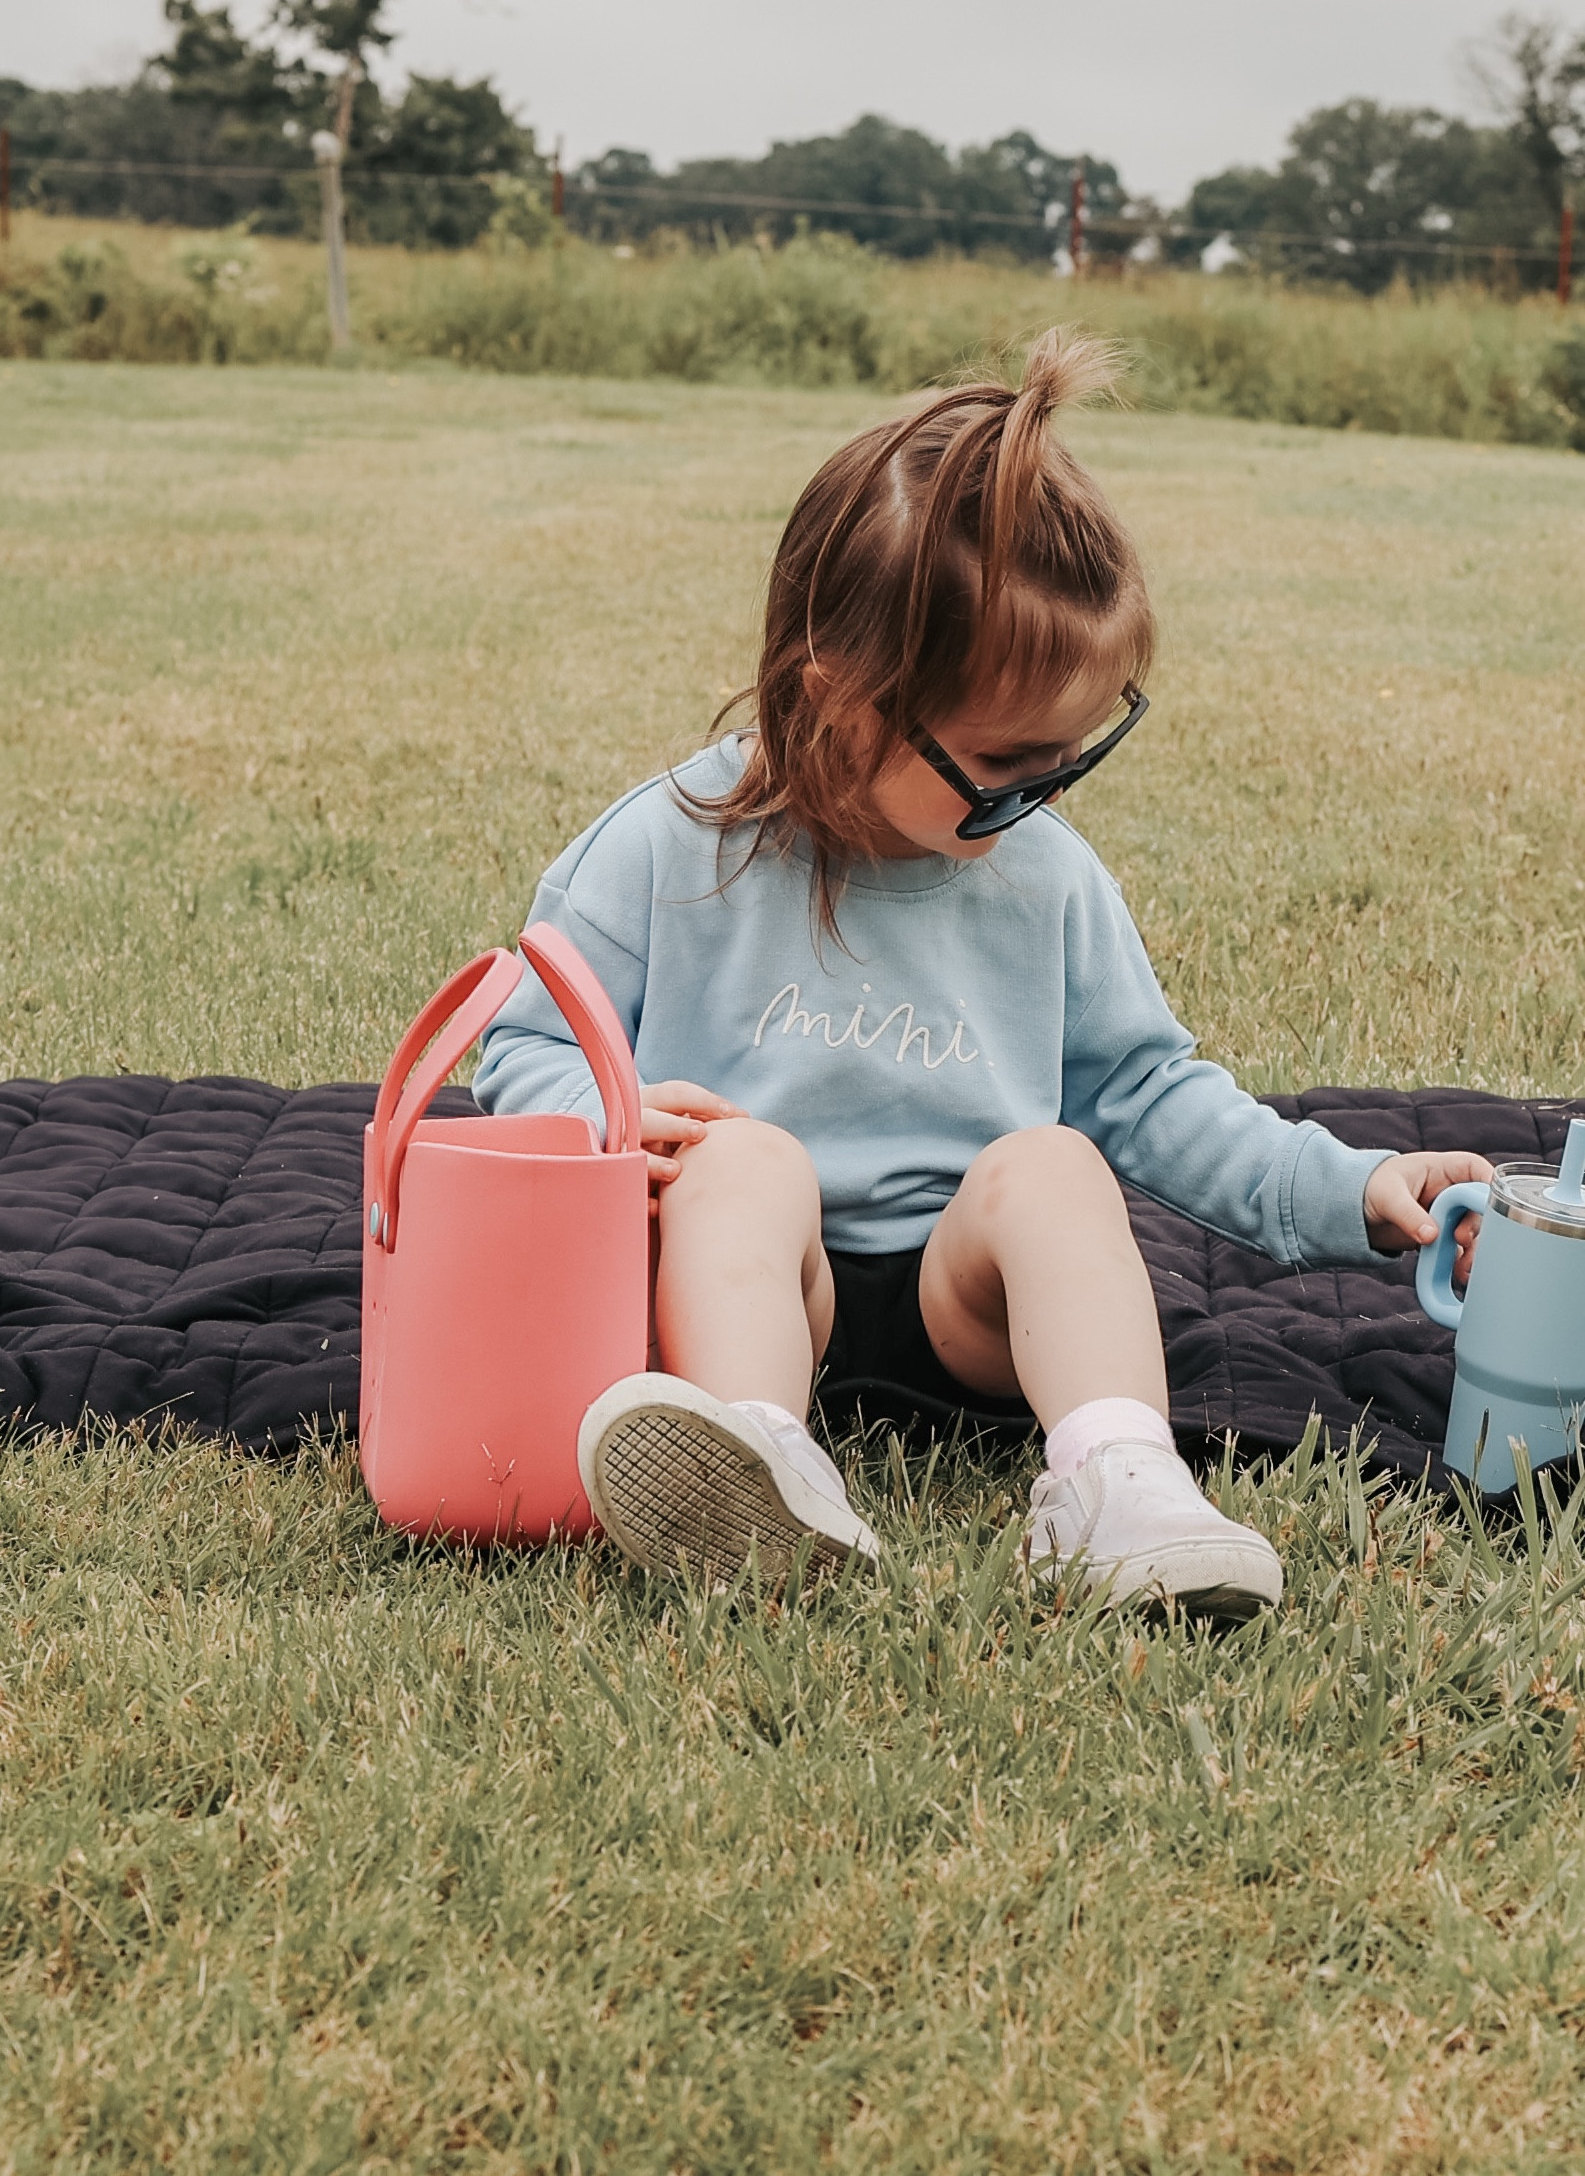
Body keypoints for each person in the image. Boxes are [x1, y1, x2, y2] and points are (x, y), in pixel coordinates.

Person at [474, 331, 1489, 1615]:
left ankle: (1120, 1479)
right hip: (748, 1294)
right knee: (746, 1160)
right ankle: (753, 1461)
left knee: (1055, 1164)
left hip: (972, 1306)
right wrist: (602, 1116)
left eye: (1073, 758)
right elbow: (518, 1047)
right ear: (841, 700)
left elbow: (1147, 1092)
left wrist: (1349, 1185)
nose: (1042, 795)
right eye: (1009, 763)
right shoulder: (667, 847)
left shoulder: (1043, 877)